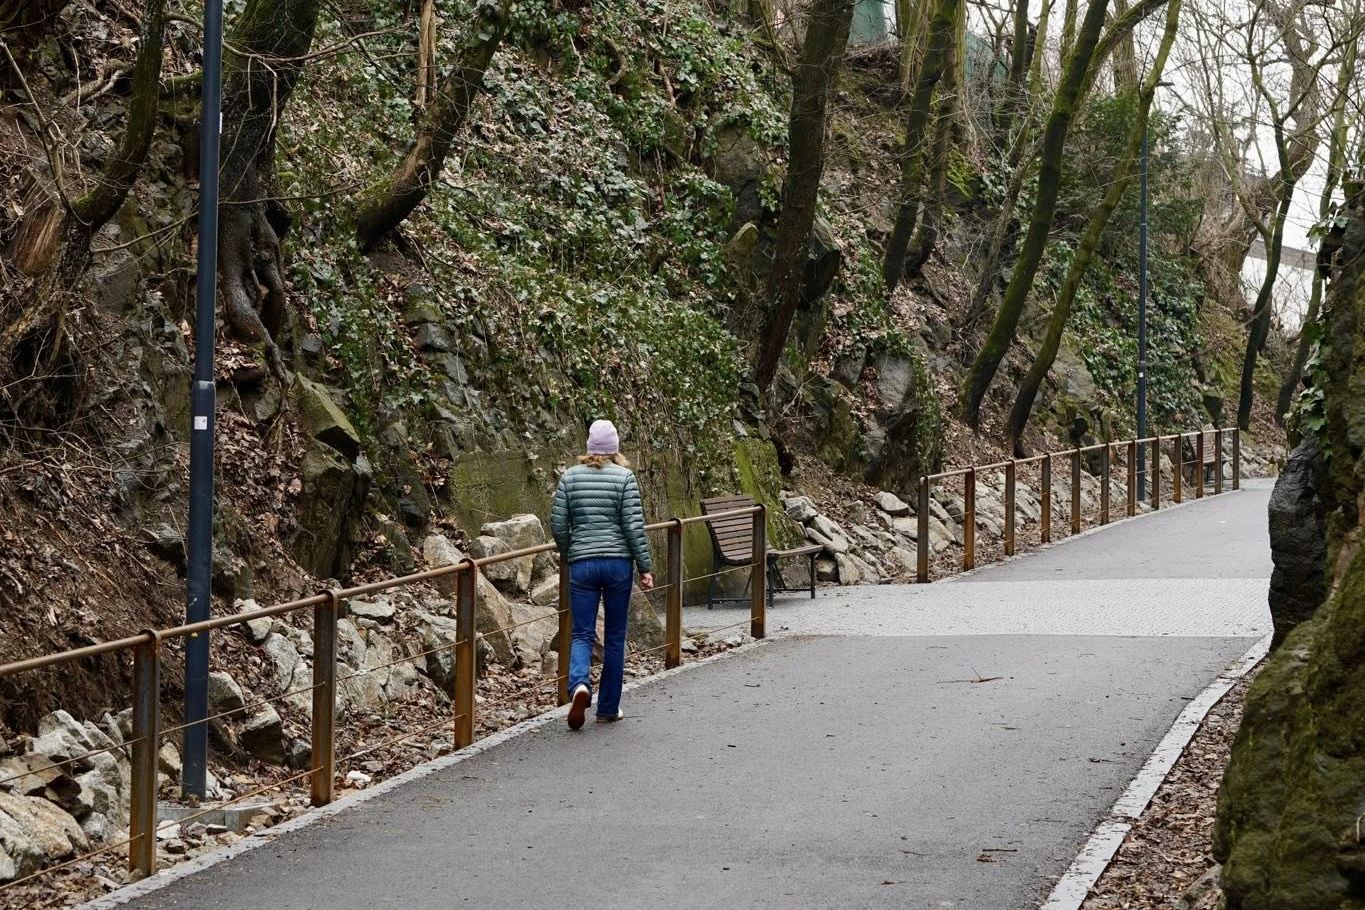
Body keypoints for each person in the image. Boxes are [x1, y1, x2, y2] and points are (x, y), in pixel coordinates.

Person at [550, 419, 654, 730]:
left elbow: (558, 523)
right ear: (615, 448)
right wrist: (645, 567)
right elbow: (633, 526)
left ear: (589, 447)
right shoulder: (624, 478)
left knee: (582, 633)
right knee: (615, 636)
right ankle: (608, 707)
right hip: (618, 564)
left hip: (582, 564)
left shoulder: (570, 477)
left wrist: (570, 552)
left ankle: (580, 685)